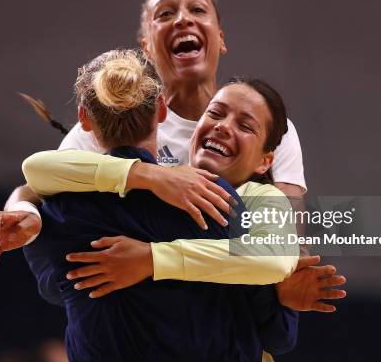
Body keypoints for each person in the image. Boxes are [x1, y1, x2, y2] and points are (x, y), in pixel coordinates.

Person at [0, 0, 307, 265]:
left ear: (220, 38)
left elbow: (284, 242)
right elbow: (34, 188)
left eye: (197, 9)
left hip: (221, 313)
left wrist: (290, 281)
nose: (183, 18)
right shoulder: (115, 118)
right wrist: (151, 176)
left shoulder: (275, 128)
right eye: (165, 14)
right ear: (146, 48)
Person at [24, 48, 299, 361]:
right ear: (163, 110)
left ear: (84, 118)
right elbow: (278, 333)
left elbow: (51, 284)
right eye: (215, 113)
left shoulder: (60, 209)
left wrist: (151, 259)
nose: (223, 127)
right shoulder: (219, 206)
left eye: (246, 126)